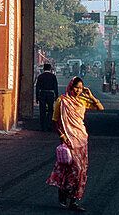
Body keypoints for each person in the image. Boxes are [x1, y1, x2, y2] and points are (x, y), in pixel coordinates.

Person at [46, 77, 103, 212]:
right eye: (76, 87)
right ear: (71, 87)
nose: (78, 90)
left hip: (81, 139)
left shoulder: (83, 101)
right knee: (74, 169)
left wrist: (91, 96)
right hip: (69, 139)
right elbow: (55, 120)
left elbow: (100, 108)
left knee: (80, 171)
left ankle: (72, 200)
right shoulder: (62, 101)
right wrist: (62, 136)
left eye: (80, 88)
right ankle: (64, 191)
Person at [35, 64, 59, 130]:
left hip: (42, 93)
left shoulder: (40, 76)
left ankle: (43, 125)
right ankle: (49, 124)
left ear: (43, 69)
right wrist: (56, 96)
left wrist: (37, 97)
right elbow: (55, 87)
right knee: (50, 110)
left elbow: (37, 87)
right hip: (50, 94)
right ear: (50, 69)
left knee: (42, 110)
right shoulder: (53, 76)